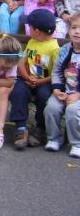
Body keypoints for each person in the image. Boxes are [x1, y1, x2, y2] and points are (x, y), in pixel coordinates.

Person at [9, 8, 59, 150]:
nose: (28, 29)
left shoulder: (54, 48)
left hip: (45, 82)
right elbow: (22, 62)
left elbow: (56, 73)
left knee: (44, 96)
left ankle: (40, 129)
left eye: (29, 27)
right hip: (27, 78)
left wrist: (40, 82)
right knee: (18, 91)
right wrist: (25, 76)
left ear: (37, 31)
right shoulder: (32, 41)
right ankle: (21, 127)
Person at [45, 12, 80, 157]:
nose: (77, 31)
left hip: (78, 95)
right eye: (74, 27)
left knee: (72, 111)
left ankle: (77, 143)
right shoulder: (65, 49)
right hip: (64, 91)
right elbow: (57, 71)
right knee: (51, 108)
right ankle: (54, 139)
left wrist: (78, 95)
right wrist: (57, 89)